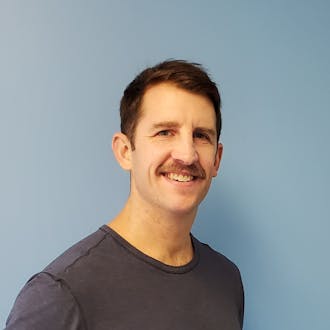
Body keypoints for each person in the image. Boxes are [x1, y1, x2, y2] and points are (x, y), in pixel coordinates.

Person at [5, 60, 244, 329]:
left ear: (217, 159)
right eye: (165, 132)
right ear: (125, 152)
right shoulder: (61, 294)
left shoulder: (226, 279)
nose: (187, 155)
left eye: (201, 135)